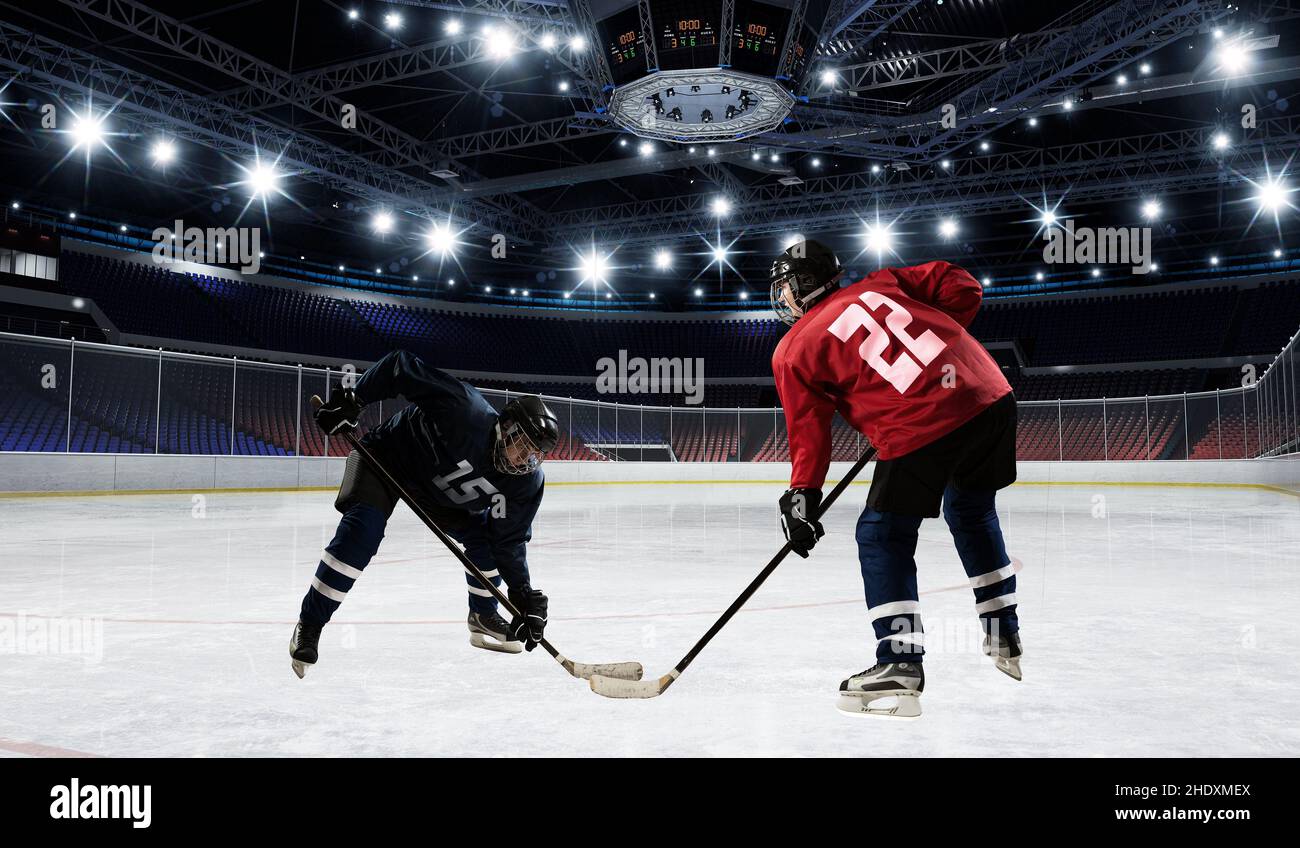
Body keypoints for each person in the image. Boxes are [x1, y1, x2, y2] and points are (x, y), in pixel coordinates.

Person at [769, 240, 1021, 719]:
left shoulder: (794, 347)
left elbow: (809, 431)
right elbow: (963, 285)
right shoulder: (882, 282)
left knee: (883, 534)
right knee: (971, 509)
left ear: (802, 287)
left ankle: (900, 662)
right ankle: (1002, 629)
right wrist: (932, 352)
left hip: (924, 419)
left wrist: (802, 494)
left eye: (784, 289)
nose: (781, 299)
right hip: (989, 395)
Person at [289, 349, 559, 679]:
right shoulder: (464, 408)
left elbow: (509, 541)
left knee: (488, 541)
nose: (524, 460)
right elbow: (399, 367)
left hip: (440, 497)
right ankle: (311, 623)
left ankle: (484, 615)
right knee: (362, 534)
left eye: (535, 455)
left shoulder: (526, 483)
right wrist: (356, 399)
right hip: (387, 460)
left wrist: (521, 595)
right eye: (522, 444)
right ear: (505, 426)